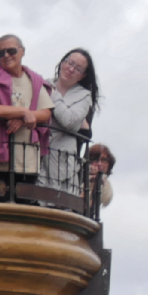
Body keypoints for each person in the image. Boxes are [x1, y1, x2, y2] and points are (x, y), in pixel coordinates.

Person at [0, 35, 52, 196]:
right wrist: (24, 112)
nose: (6, 56)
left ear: (22, 51)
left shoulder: (35, 81)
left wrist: (22, 121)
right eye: (0, 53)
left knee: (21, 213)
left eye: (11, 50)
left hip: (26, 162)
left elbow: (46, 113)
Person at [45, 48, 98, 190]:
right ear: (62, 62)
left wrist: (54, 96)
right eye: (69, 63)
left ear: (82, 76)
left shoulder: (84, 96)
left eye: (78, 68)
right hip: (38, 156)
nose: (71, 69)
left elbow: (69, 121)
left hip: (62, 164)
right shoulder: (44, 85)